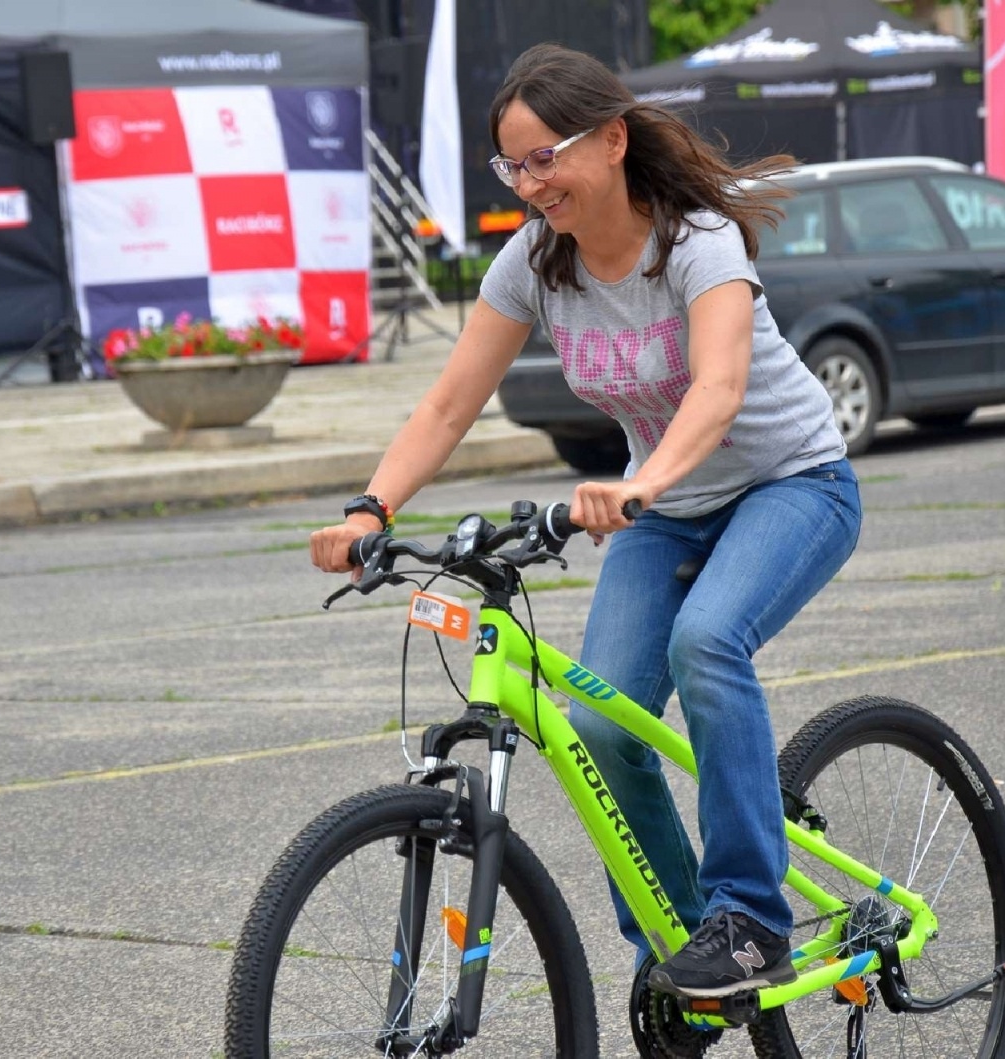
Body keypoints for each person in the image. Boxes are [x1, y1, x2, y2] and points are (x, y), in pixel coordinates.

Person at [310, 42, 861, 998]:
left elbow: (720, 389)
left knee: (707, 642)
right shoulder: (535, 261)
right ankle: (682, 946)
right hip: (664, 508)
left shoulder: (697, 243)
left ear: (611, 140)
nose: (531, 184)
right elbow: (448, 404)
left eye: (545, 157)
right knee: (603, 722)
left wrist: (643, 485)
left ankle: (750, 919)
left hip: (793, 483)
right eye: (512, 166)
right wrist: (371, 507)